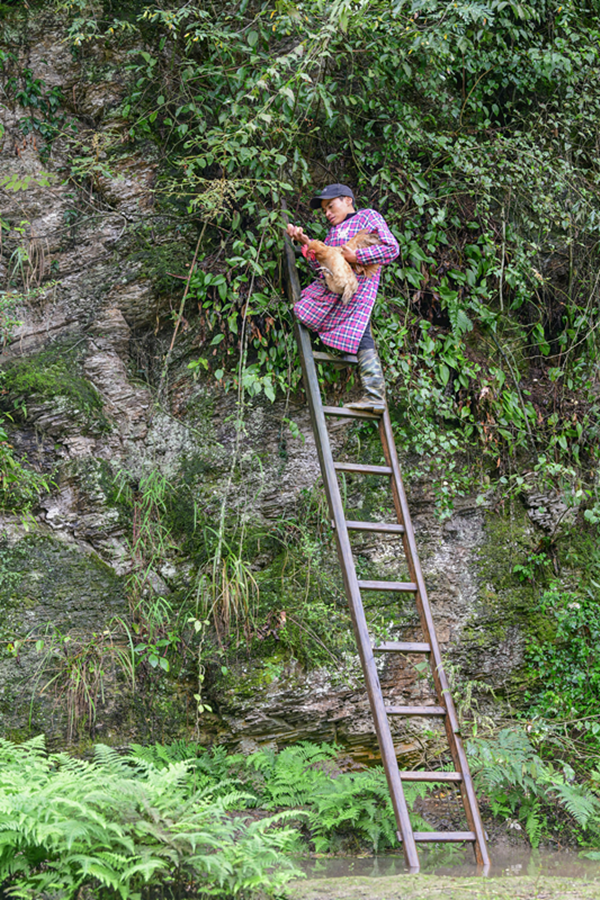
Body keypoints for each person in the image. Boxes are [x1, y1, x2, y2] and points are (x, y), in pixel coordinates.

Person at [287, 183, 399, 412]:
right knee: (303, 310)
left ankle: (375, 394)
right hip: (333, 291)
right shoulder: (332, 232)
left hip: (358, 288)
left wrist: (357, 255)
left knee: (362, 332)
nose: (327, 213)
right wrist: (306, 244)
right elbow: (327, 262)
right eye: (324, 210)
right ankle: (371, 392)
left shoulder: (368, 217)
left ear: (348, 200)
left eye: (331, 206)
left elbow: (391, 248)